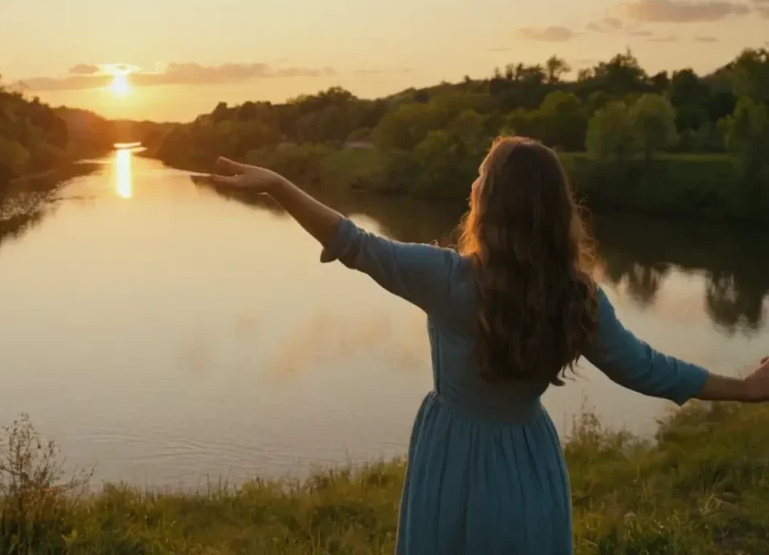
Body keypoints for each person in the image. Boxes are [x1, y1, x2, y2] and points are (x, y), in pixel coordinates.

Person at [210, 136, 769, 554]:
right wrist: (744, 388)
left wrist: (279, 186)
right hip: (528, 460)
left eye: (480, 176)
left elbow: (353, 243)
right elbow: (646, 369)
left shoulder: (448, 279)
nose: (472, 184)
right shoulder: (577, 297)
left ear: (493, 202)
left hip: (453, 456)